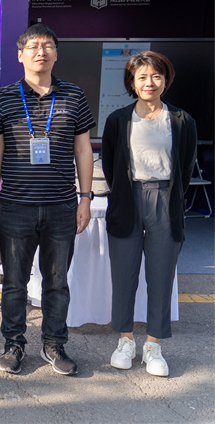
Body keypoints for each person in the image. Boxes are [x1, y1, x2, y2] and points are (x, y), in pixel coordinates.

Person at [0, 23, 95, 376]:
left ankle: (54, 344)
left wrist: (85, 198)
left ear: (56, 54)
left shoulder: (73, 95)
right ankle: (13, 344)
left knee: (57, 282)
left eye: (47, 45)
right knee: (14, 283)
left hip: (62, 206)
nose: (40, 51)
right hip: (16, 205)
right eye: (33, 46)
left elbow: (83, 149)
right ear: (20, 55)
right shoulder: (3, 98)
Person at [101, 51, 197, 377]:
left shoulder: (182, 120)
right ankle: (125, 341)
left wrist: (169, 194)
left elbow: (185, 166)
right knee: (123, 274)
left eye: (156, 76)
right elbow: (111, 163)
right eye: (142, 76)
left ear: (166, 80)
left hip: (166, 201)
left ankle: (153, 345)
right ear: (132, 82)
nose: (149, 82)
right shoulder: (118, 119)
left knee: (161, 275)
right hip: (127, 199)